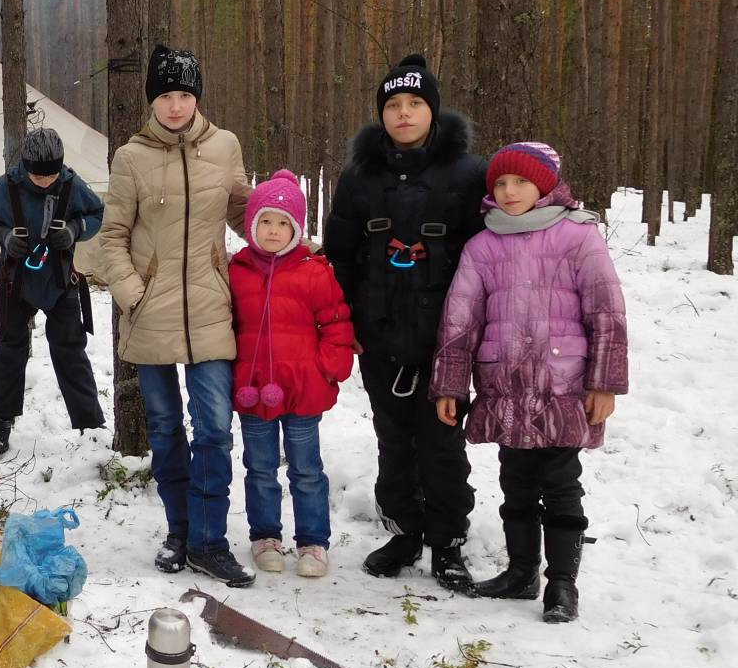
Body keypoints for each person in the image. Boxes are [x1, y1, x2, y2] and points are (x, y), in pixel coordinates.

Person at [431, 143, 628, 623]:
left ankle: (563, 583)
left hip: (563, 384)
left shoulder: (578, 236)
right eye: (500, 183)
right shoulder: (483, 244)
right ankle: (521, 571)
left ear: (545, 184)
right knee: (515, 481)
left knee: (561, 483)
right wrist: (450, 385)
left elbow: (606, 308)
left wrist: (604, 383)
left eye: (519, 181)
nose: (509, 191)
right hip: (507, 385)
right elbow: (461, 319)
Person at [323, 53, 487, 591]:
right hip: (381, 337)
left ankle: (448, 541)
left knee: (440, 444)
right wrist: (351, 325)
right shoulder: (359, 177)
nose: (404, 113)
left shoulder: (469, 175)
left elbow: (490, 258)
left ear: (433, 112)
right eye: (394, 104)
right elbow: (341, 256)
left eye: (415, 103)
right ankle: (404, 532)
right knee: (392, 441)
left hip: (446, 340)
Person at [99, 45, 255, 584]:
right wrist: (132, 293)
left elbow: (244, 213)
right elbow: (112, 236)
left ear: (197, 98)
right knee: (165, 430)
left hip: (211, 308)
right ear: (153, 100)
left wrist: (288, 244)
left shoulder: (225, 146)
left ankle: (211, 541)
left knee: (213, 428)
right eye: (165, 95)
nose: (175, 105)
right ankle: (179, 531)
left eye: (184, 94)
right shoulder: (130, 157)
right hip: (151, 314)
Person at [229, 170, 356, 579]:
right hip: (253, 391)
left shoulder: (313, 270)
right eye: (265, 221)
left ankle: (313, 541)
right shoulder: (238, 271)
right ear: (251, 224)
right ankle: (265, 536)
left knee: (306, 469)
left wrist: (327, 370)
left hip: (302, 390)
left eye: (283, 223)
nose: (273, 230)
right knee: (260, 467)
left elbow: (336, 323)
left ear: (297, 229)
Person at [0, 127, 106, 464]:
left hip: (59, 281)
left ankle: (91, 426)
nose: (45, 181)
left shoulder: (72, 185)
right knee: (9, 350)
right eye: (38, 175)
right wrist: (2, 235)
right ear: (25, 166)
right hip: (16, 282)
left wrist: (75, 229)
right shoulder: (7, 187)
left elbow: (96, 213)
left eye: (51, 174)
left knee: (71, 349)